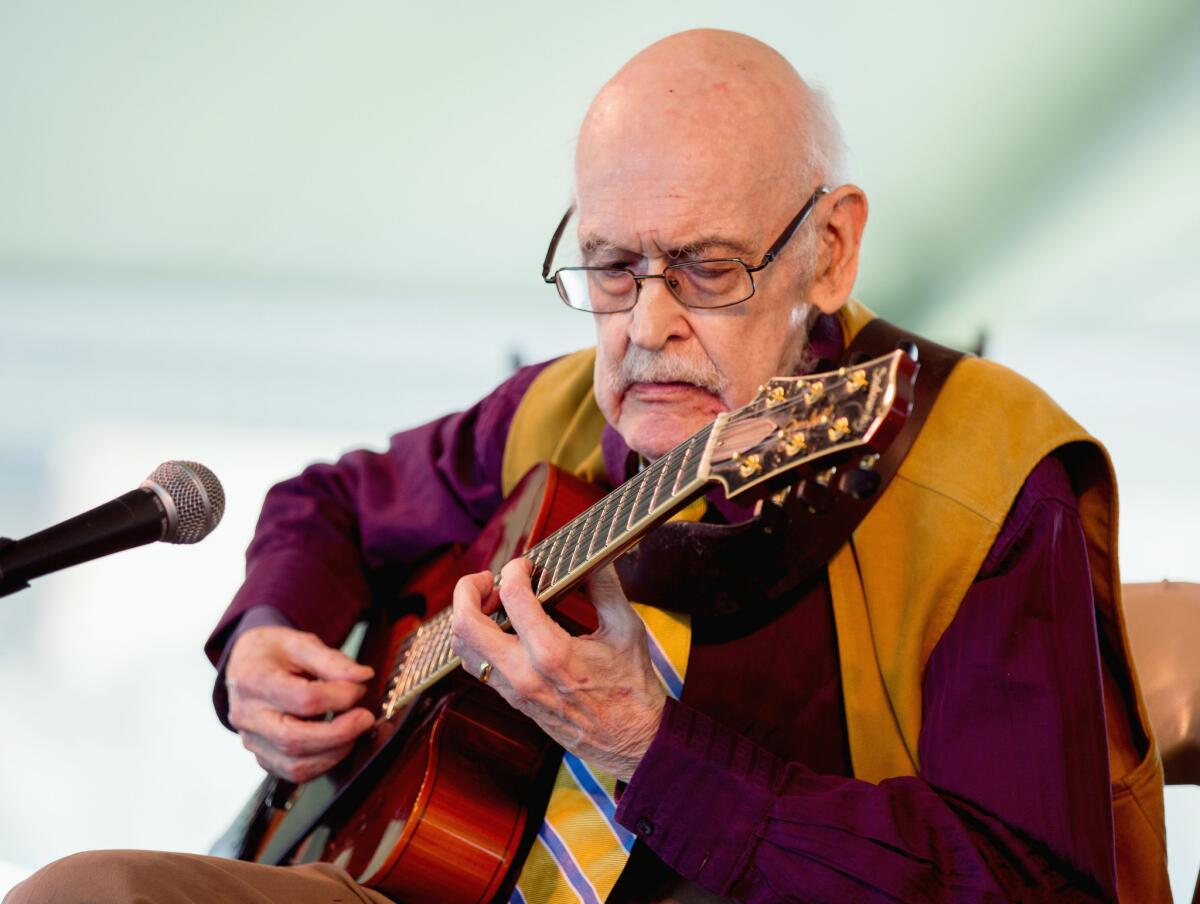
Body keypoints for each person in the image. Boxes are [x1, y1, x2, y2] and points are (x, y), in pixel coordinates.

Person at [6, 28, 1170, 904]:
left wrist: (648, 750)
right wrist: (267, 634)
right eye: (612, 268)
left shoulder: (990, 470)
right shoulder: (559, 410)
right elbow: (333, 505)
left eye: (709, 268)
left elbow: (1030, 885)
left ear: (830, 250)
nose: (647, 325)